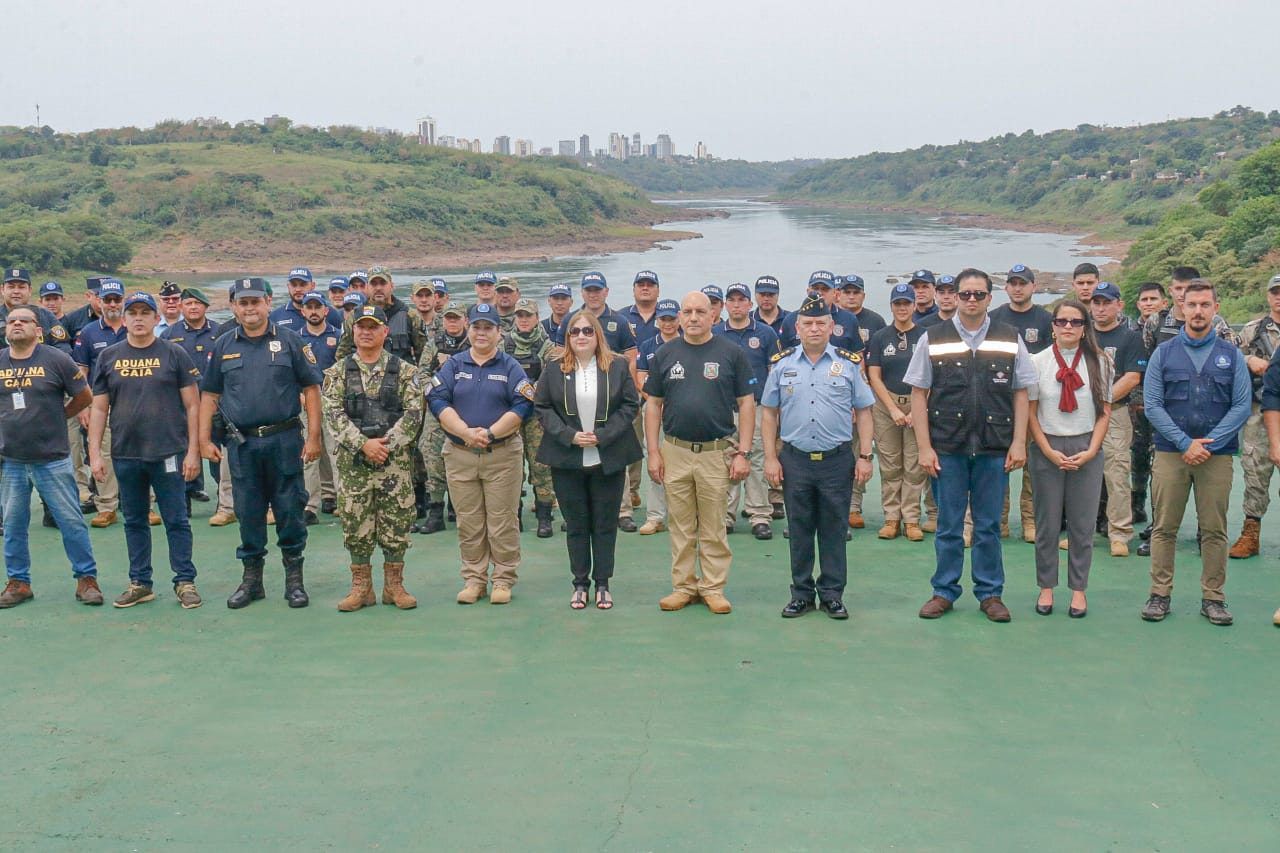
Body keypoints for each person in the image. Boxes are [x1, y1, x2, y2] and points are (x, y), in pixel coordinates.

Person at [908, 268, 1036, 623]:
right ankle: (944, 591)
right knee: (948, 524)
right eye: (965, 294)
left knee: (989, 526)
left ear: (989, 298)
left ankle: (990, 593)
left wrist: (1019, 443)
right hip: (947, 446)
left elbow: (1022, 393)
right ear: (954, 296)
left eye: (979, 294)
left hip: (994, 448)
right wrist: (924, 447)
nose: (971, 300)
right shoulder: (933, 337)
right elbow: (919, 394)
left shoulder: (1009, 337)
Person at [199, 277, 323, 609]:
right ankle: (252, 581)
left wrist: (313, 436)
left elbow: (311, 389)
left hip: (284, 440)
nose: (250, 308)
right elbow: (209, 395)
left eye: (256, 301)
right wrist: (202, 440)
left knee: (289, 511)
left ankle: (294, 582)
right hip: (242, 445)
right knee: (248, 512)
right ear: (233, 306)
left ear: (268, 302)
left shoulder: (290, 342)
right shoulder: (224, 345)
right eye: (243, 302)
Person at [1141, 280, 1250, 626]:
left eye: (1205, 304)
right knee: (1164, 527)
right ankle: (1159, 595)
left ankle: (1213, 598)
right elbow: (1153, 406)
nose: (1198, 311)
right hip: (1171, 454)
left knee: (1214, 530)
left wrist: (1210, 443)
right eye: (1192, 305)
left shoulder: (1231, 355)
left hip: (1216, 457)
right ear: (1181, 308)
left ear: (1216, 309)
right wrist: (1185, 443)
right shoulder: (1163, 353)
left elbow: (1241, 405)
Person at [88, 292, 203, 609]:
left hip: (168, 452)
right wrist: (96, 454)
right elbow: (99, 409)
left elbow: (193, 405)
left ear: (156, 319)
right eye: (133, 313)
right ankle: (140, 582)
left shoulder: (174, 354)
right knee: (134, 520)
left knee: (176, 520)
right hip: (126, 454)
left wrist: (193, 451)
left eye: (145, 313)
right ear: (123, 319)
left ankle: (184, 580)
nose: (139, 318)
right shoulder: (108, 357)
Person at [763, 295, 875, 620]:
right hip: (794, 459)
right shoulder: (782, 364)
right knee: (798, 530)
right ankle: (801, 593)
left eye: (820, 323)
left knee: (834, 529)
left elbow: (865, 411)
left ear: (831, 327)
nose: (814, 328)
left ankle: (831, 594)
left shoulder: (848, 363)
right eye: (808, 323)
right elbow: (769, 413)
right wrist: (771, 457)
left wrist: (865, 456)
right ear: (797, 327)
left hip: (837, 460)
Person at [644, 292, 754, 615]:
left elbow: (747, 402)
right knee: (679, 525)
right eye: (688, 311)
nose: (693, 317)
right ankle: (683, 586)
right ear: (679, 316)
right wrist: (653, 451)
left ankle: (713, 587)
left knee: (713, 524)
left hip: (715, 452)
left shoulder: (731, 353)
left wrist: (743, 452)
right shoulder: (665, 354)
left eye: (700, 312)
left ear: (713, 316)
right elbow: (653, 404)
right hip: (675, 450)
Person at [427, 302, 534, 605]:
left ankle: (502, 578)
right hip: (460, 454)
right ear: (468, 330)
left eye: (489, 327)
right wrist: (464, 432)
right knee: (469, 521)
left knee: (502, 520)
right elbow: (436, 399)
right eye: (477, 327)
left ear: (500, 332)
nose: (482, 333)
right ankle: (474, 579)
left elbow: (523, 405)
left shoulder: (510, 366)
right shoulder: (455, 365)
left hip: (501, 454)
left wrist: (489, 433)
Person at [535, 310, 643, 609]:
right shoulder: (555, 368)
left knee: (605, 525)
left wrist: (603, 435)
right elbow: (542, 407)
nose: (581, 336)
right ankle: (580, 583)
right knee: (577, 524)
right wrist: (569, 435)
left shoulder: (618, 366)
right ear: (567, 337)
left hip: (607, 458)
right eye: (575, 332)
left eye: (587, 331)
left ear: (598, 335)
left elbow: (630, 405)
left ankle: (603, 584)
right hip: (567, 459)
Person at [323, 304, 425, 612]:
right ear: (353, 331)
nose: (366, 332)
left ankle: (394, 586)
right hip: (354, 465)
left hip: (393, 463)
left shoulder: (405, 371)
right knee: (356, 524)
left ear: (385, 331)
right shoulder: (337, 372)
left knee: (396, 522)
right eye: (361, 327)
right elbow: (333, 414)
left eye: (373, 327)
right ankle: (361, 588)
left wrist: (386, 445)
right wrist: (363, 444)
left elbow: (414, 413)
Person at [0, 306, 101, 609]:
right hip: (12, 460)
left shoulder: (56, 359)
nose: (17, 324)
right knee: (13, 524)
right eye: (12, 321)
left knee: (71, 521)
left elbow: (84, 395)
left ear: (38, 330)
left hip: (52, 458)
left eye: (24, 321)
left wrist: (61, 416)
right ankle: (18, 582)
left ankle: (86, 579)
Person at [1027, 300, 1112, 618]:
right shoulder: (1037, 362)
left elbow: (1105, 412)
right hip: (1047, 446)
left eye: (1075, 322)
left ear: (1084, 327)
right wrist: (1047, 450)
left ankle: (1078, 591)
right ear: (1052, 326)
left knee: (1082, 524)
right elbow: (1031, 413)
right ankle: (1046, 587)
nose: (1067, 327)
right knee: (1047, 523)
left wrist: (1091, 450)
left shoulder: (1099, 362)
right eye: (1061, 321)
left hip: (1086, 446)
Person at [552, 272, 640, 530]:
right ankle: (576, 514)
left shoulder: (620, 322)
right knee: (576, 461)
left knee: (615, 457)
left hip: (612, 399)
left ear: (606, 292)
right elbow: (560, 358)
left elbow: (631, 359)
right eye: (588, 290)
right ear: (582, 293)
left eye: (597, 289)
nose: (593, 294)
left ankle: (622, 511)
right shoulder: (570, 319)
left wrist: (625, 390)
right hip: (577, 397)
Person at [989, 263, 1053, 541]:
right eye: (1013, 283)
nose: (1017, 288)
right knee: (997, 465)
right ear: (1006, 287)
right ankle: (998, 521)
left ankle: (1030, 521)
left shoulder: (1046, 320)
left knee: (1033, 468)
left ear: (1033, 287)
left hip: (1037, 403)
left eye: (1023, 283)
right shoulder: (993, 319)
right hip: (999, 403)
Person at [714, 282, 780, 539]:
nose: (737, 304)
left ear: (750, 305)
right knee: (726, 461)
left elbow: (775, 373)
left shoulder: (765, 334)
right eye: (732, 300)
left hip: (758, 407)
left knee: (757, 458)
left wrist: (775, 408)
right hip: (723, 408)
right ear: (725, 305)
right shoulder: (716, 333)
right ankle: (726, 515)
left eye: (742, 300)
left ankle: (759, 514)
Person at [866, 284, 928, 541]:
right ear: (891, 306)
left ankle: (912, 519)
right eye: (897, 304)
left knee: (914, 465)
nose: (902, 308)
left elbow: (932, 376)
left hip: (918, 402)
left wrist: (918, 409)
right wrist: (892, 409)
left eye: (907, 303)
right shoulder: (880, 336)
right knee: (891, 464)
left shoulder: (926, 336)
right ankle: (892, 517)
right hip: (886, 404)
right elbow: (874, 375)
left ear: (914, 306)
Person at [1089, 282, 1146, 557]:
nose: (1101, 308)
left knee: (1116, 472)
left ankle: (1120, 533)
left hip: (1116, 412)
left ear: (1119, 305)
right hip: (1080, 414)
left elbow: (1133, 377)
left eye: (1106, 302)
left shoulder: (1130, 337)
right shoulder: (1082, 333)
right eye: (1096, 303)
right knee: (1081, 473)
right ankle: (1081, 532)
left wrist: (1104, 400)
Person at [1227, 273, 1280, 560]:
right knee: (1255, 470)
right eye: (1275, 292)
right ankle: (1251, 532)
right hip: (1259, 408)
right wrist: (1250, 360)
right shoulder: (1253, 329)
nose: (1279, 297)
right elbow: (1231, 355)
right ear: (1268, 295)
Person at [72, 278, 128, 527]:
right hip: (101, 403)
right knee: (104, 453)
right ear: (100, 302)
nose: (113, 304)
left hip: (136, 402)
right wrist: (83, 405)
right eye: (108, 300)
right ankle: (107, 506)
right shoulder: (88, 332)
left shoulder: (136, 326)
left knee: (140, 450)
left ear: (123, 300)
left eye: (117, 299)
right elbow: (81, 372)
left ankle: (146, 504)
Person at [416, 301, 471, 534]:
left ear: (465, 321)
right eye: (449, 318)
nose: (452, 322)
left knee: (465, 458)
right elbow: (421, 374)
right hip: (438, 409)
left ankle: (461, 509)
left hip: (467, 409)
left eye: (457, 318)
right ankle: (436, 510)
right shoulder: (433, 345)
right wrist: (435, 392)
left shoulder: (474, 344)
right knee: (431, 454)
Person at [162, 287, 220, 506]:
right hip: (181, 405)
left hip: (214, 404)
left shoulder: (219, 331)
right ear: (181, 307)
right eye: (188, 303)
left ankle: (224, 501)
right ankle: (183, 500)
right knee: (182, 452)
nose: (193, 307)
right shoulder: (170, 335)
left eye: (197, 303)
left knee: (216, 450)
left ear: (205, 306)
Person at [507, 298, 556, 537]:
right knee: (513, 466)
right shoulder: (503, 345)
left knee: (541, 465)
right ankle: (514, 516)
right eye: (520, 315)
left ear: (537, 318)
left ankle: (544, 517)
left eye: (528, 315)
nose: (524, 320)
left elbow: (551, 380)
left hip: (538, 415)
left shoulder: (548, 347)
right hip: (512, 415)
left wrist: (531, 390)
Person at [635, 298, 681, 535]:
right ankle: (655, 516)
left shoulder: (688, 343)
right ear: (657, 321)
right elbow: (641, 378)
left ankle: (683, 516)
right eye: (663, 319)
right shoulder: (647, 346)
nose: (668, 323)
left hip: (681, 411)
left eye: (672, 318)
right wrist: (656, 401)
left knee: (682, 463)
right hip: (653, 409)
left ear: (679, 318)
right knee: (654, 461)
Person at [298, 291, 342, 522]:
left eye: (318, 307)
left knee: (336, 453)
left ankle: (343, 502)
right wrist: (299, 394)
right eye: (309, 307)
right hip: (306, 403)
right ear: (303, 311)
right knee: (309, 454)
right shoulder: (295, 338)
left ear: (326, 310)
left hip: (333, 402)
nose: (313, 311)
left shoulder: (338, 336)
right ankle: (310, 506)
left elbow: (345, 370)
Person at [620, 270, 662, 512]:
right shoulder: (622, 317)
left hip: (664, 392)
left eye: (650, 285)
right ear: (634, 289)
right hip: (631, 392)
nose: (645, 288)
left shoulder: (669, 314)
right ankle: (633, 491)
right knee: (633, 443)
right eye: (641, 285)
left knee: (661, 445)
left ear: (658, 289)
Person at [1130, 281, 1167, 528]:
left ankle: (1159, 515)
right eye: (1144, 300)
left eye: (1154, 299)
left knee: (1159, 460)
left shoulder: (1169, 329)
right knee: (1137, 456)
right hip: (1133, 403)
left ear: (1164, 303)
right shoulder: (1128, 329)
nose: (1149, 304)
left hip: (1160, 404)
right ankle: (1136, 505)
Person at [335, 267, 426, 364]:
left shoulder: (410, 316)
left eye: (383, 283)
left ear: (392, 286)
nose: (378, 288)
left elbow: (423, 355)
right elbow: (342, 354)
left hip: (401, 375)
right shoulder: (355, 316)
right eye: (374, 284)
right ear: (367, 287)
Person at [779, 272, 861, 352]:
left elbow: (858, 357)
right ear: (808, 291)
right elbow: (783, 357)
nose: (820, 293)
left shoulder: (849, 319)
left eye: (825, 289)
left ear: (835, 293)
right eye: (815, 289)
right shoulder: (791, 319)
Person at [271, 267, 342, 332]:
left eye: (303, 284)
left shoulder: (331, 313)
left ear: (312, 285)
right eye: (294, 285)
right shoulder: (275, 316)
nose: (298, 289)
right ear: (288, 286)